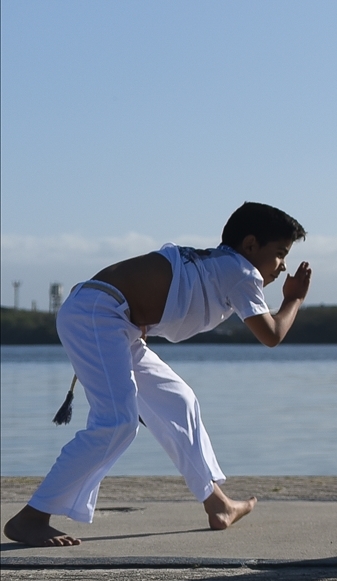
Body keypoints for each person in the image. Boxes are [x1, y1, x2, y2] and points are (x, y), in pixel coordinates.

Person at [3, 202, 312, 547]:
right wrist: (294, 299)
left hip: (113, 320)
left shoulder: (213, 263)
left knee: (178, 401)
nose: (282, 267)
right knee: (117, 422)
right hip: (98, 315)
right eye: (280, 254)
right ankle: (32, 517)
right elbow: (271, 335)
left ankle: (218, 504)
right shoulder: (240, 272)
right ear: (251, 245)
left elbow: (163, 283)